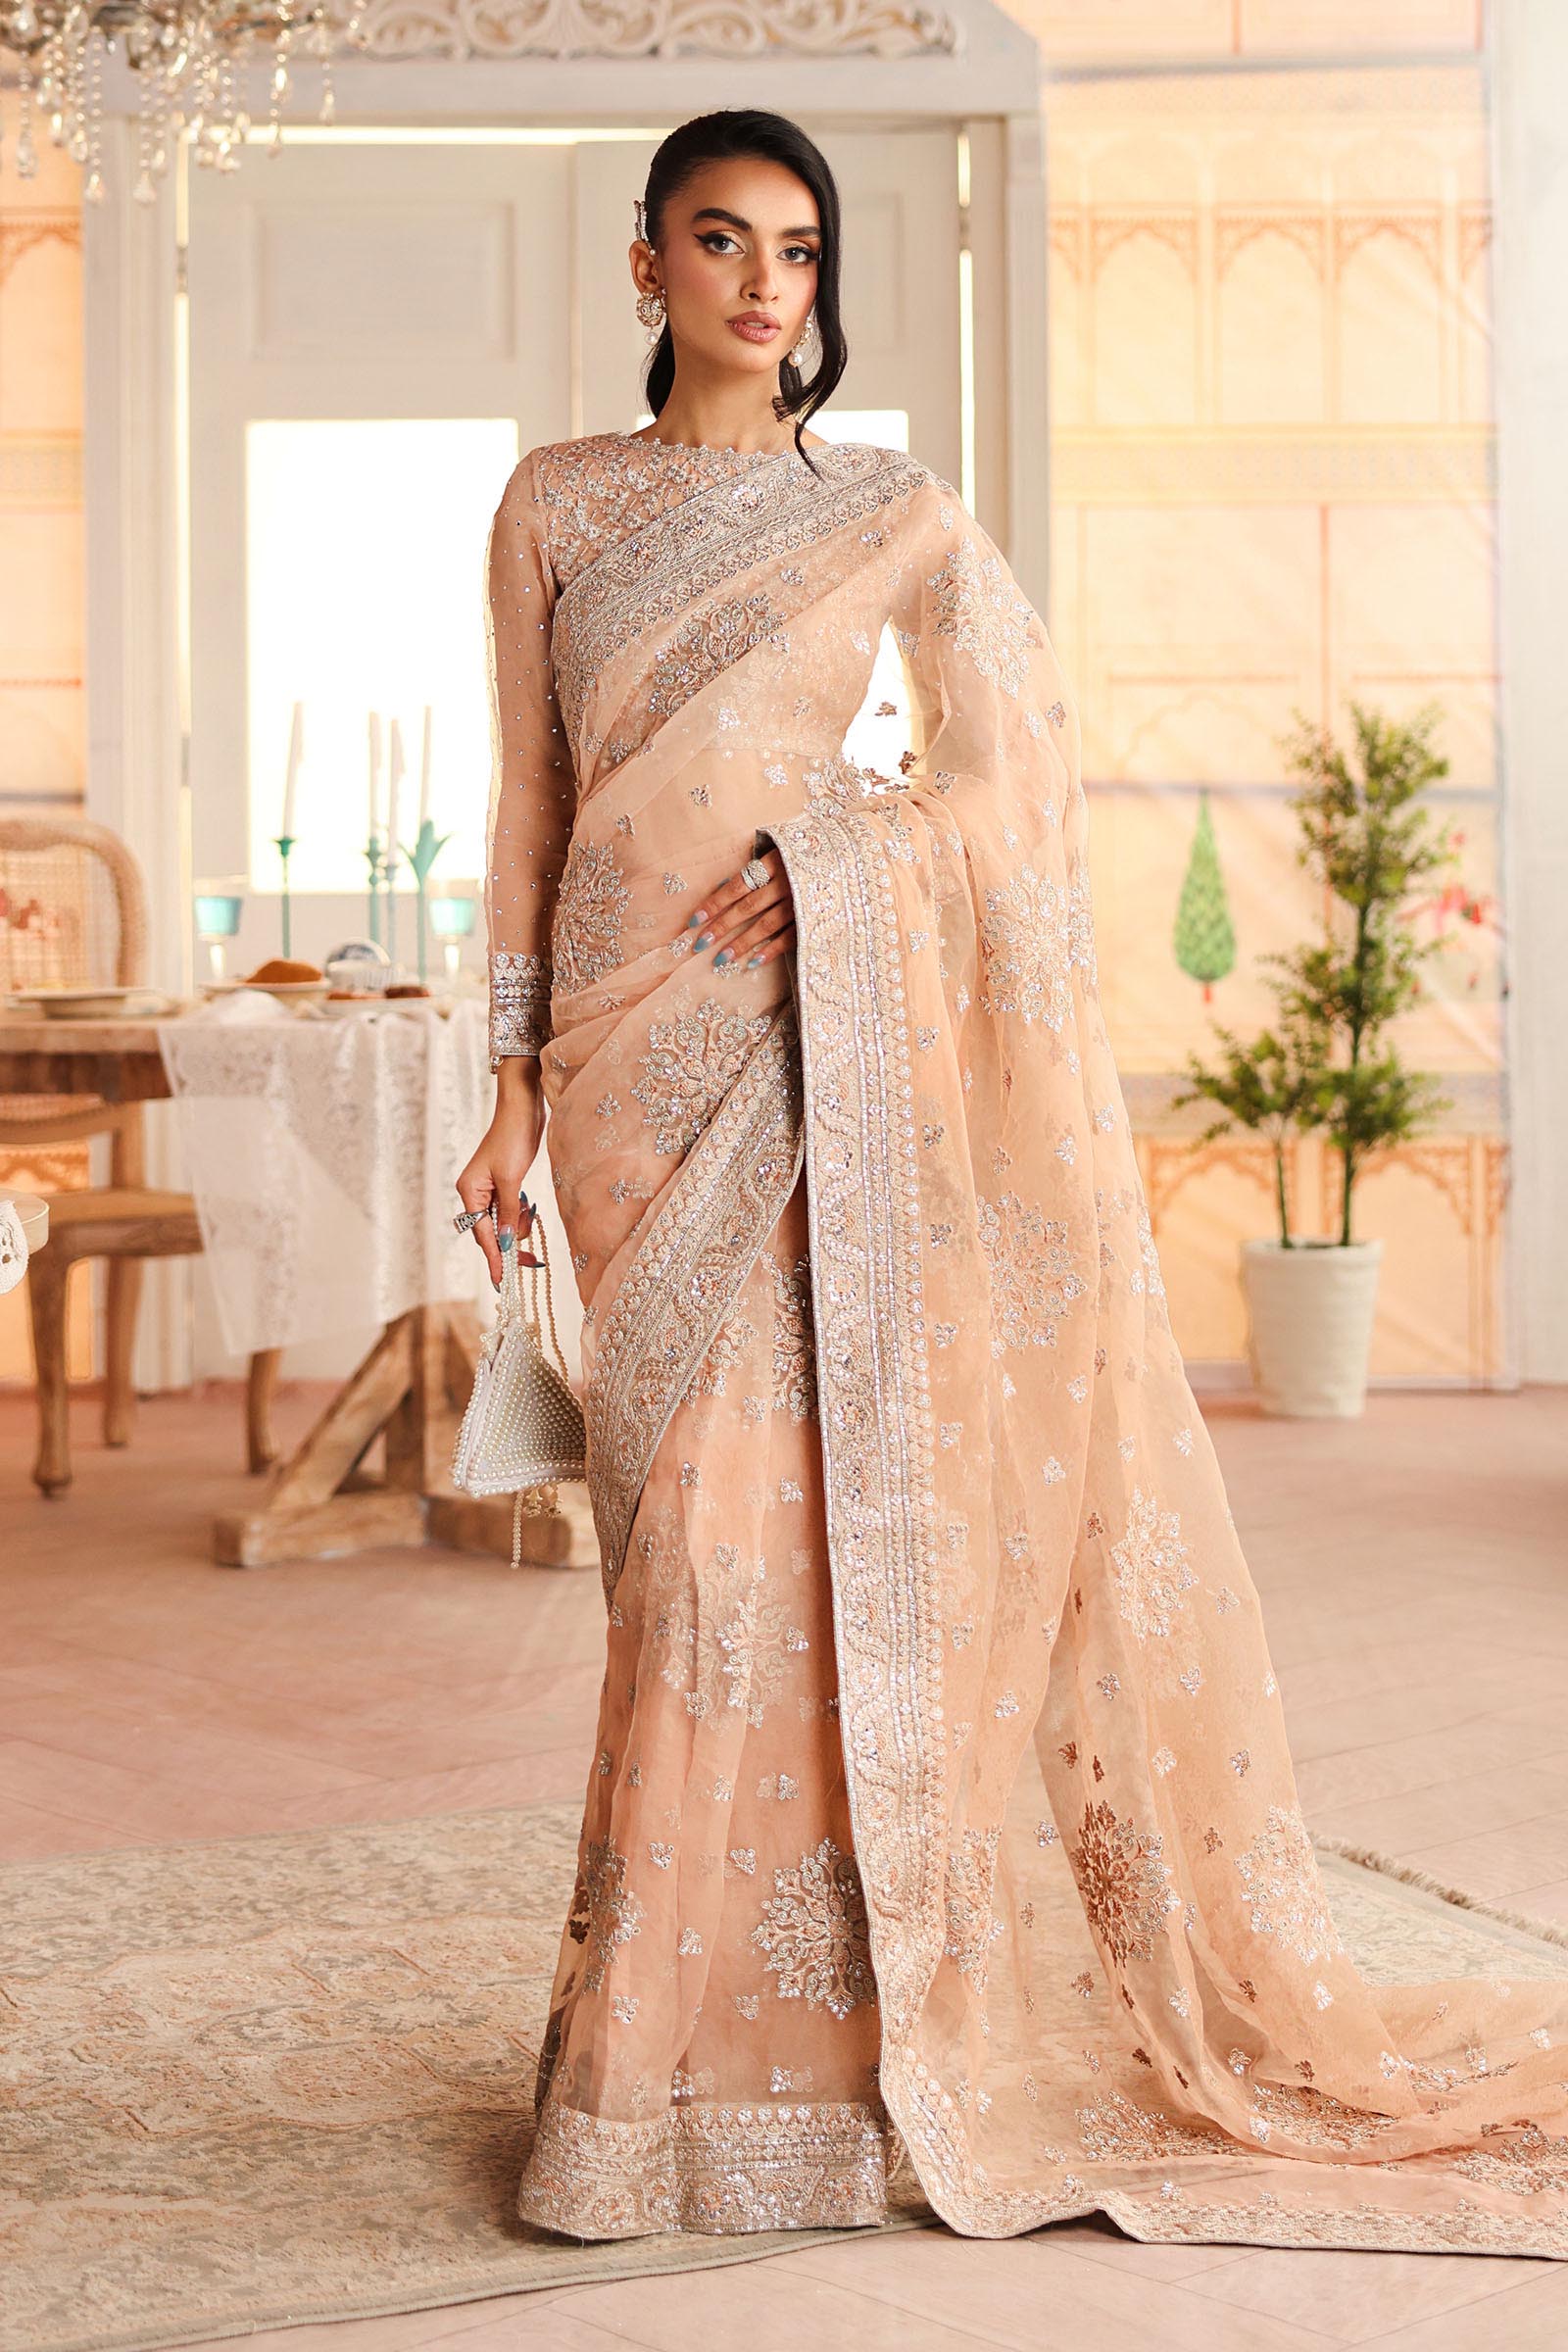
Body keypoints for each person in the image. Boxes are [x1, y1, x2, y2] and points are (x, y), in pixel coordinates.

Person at [455, 108, 1568, 2254]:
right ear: (645, 266)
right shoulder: (555, 507)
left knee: (766, 1559)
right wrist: (504, 1085)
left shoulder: (886, 515)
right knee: (672, 1562)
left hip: (805, 1064)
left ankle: (771, 2078)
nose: (762, 283)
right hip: (614, 1082)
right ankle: (661, 2064)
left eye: (795, 248)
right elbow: (527, 804)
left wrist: (843, 858)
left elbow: (1017, 771)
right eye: (719, 241)